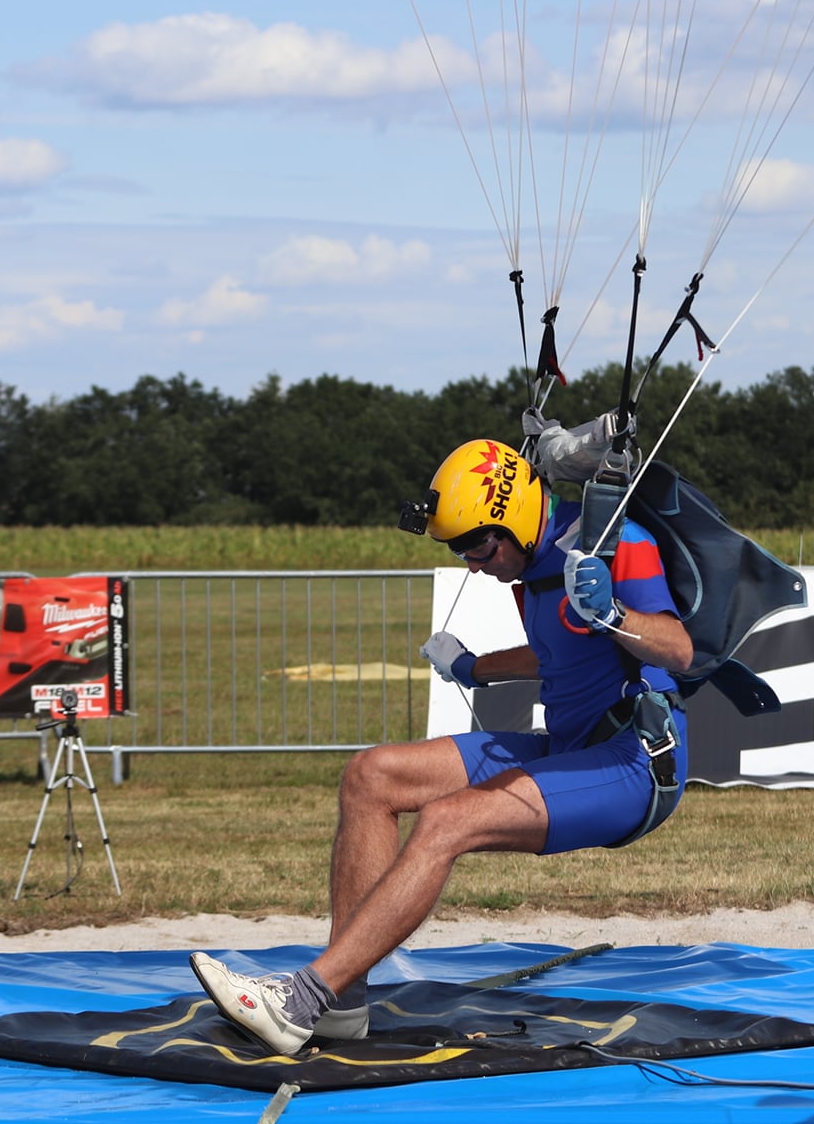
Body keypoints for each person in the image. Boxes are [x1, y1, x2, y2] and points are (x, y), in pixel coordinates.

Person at [191, 438, 693, 1055]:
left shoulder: (621, 543)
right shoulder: (529, 569)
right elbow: (560, 651)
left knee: (448, 819)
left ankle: (302, 1000)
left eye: (477, 547)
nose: (473, 565)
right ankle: (342, 1004)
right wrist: (474, 667)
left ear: (511, 520)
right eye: (459, 552)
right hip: (569, 747)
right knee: (372, 775)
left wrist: (612, 611)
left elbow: (677, 648)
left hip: (634, 762)